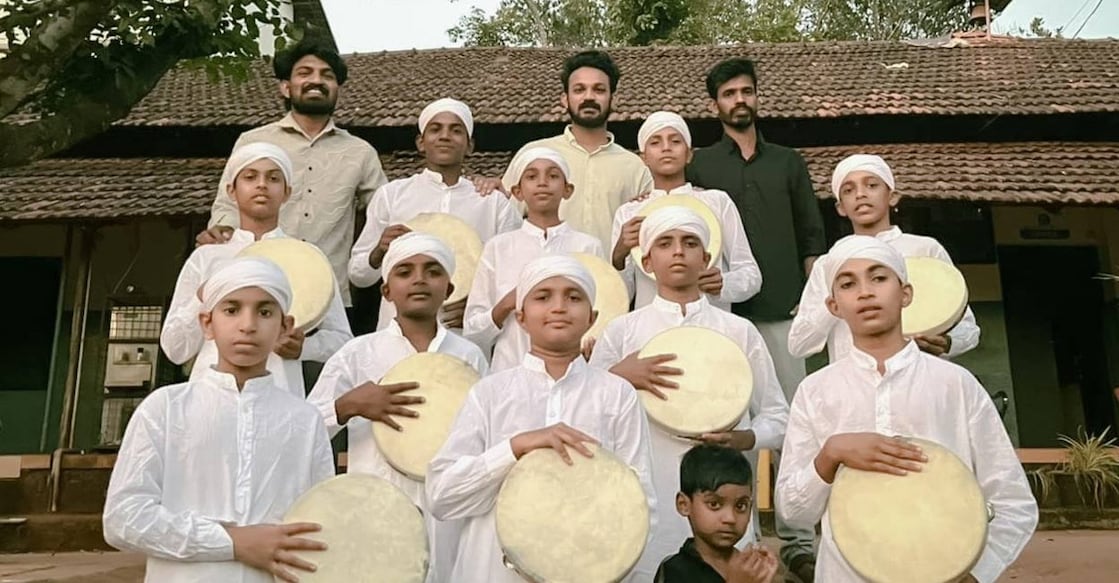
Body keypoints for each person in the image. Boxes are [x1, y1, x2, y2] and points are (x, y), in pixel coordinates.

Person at [775, 236, 1038, 583]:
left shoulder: (956, 385)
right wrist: (831, 454)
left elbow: (1014, 502)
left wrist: (976, 573)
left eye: (879, 278)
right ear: (834, 306)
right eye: (848, 283)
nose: (865, 292)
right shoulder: (816, 392)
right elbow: (793, 511)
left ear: (906, 294)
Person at [426, 255, 657, 583]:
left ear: (592, 318)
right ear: (521, 317)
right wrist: (515, 448)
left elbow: (640, 504)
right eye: (543, 296)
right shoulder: (489, 393)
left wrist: (597, 568)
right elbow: (442, 497)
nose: (559, 306)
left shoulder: (616, 394)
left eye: (573, 297)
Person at [104, 257, 335, 583]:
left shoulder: (305, 420)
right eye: (231, 309)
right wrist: (231, 542)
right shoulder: (165, 409)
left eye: (265, 312)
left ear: (285, 326)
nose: (248, 325)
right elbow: (123, 519)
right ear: (207, 323)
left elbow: (321, 525)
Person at [588, 206, 789, 581]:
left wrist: (744, 437)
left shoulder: (738, 331)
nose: (678, 251)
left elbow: (778, 417)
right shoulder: (622, 332)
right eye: (665, 243)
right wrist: (619, 375)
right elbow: (586, 414)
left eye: (690, 242)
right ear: (647, 261)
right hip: (650, 487)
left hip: (724, 496)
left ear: (706, 258)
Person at [687, 57, 825, 580]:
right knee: (731, 427)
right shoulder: (701, 166)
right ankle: (737, 540)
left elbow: (811, 234)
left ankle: (795, 540)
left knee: (793, 427)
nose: (739, 100)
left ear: (755, 96)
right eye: (729, 94)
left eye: (746, 91)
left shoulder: (787, 162)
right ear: (715, 105)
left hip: (783, 313)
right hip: (721, 320)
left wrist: (809, 301)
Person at [307, 232, 487, 583]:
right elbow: (304, 428)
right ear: (386, 290)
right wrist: (347, 406)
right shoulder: (358, 354)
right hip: (375, 503)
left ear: (449, 289)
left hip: (448, 511)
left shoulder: (470, 356)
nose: (419, 279)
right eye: (405, 272)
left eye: (432, 271)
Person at [200, 37, 387, 309]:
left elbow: (385, 211)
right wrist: (223, 231)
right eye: (304, 73)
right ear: (286, 88)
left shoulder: (361, 152)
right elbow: (227, 204)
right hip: (257, 287)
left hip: (327, 296)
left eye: (327, 75)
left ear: (337, 89)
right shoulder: (252, 142)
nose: (316, 80)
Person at [161, 142, 352, 396]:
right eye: (250, 177)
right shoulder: (208, 258)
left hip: (280, 394)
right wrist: (205, 294)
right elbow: (175, 349)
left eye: (273, 178)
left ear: (286, 192)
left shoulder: (309, 259)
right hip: (211, 396)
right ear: (232, 190)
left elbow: (342, 339)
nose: (262, 185)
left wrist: (304, 348)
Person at [349, 97, 521, 331]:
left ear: (469, 145)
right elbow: (359, 275)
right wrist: (378, 252)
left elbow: (513, 275)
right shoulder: (391, 195)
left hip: (465, 332)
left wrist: (481, 309)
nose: (445, 136)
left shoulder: (493, 203)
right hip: (397, 330)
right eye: (435, 129)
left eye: (456, 130)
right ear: (421, 142)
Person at [788, 154, 980, 362]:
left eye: (871, 185)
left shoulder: (925, 249)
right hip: (854, 384)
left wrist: (948, 343)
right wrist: (836, 294)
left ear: (892, 196)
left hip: (920, 378)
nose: (860, 195)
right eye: (849, 190)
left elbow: (967, 328)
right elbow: (799, 344)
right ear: (840, 207)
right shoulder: (828, 264)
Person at [464, 146, 604, 371]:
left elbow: (604, 314)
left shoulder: (588, 247)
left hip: (574, 375)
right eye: (531, 176)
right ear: (518, 191)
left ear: (567, 189)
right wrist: (507, 303)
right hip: (509, 373)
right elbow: (472, 331)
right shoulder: (498, 248)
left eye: (553, 176)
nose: (542, 183)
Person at [501, 50, 653, 250]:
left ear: (613, 99)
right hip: (545, 277)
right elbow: (507, 224)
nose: (589, 97)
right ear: (565, 99)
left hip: (610, 279)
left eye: (599, 90)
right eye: (579, 89)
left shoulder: (635, 167)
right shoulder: (534, 154)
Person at [612, 111, 761, 311]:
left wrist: (724, 283)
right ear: (643, 157)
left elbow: (750, 274)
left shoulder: (717, 202)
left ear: (689, 154)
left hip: (711, 324)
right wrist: (619, 254)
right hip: (651, 330)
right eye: (655, 142)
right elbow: (620, 294)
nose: (666, 148)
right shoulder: (630, 212)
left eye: (675, 141)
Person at [655, 444, 779, 583]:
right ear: (684, 505)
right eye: (714, 504)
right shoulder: (674, 571)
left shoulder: (750, 568)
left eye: (741, 506)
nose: (730, 518)